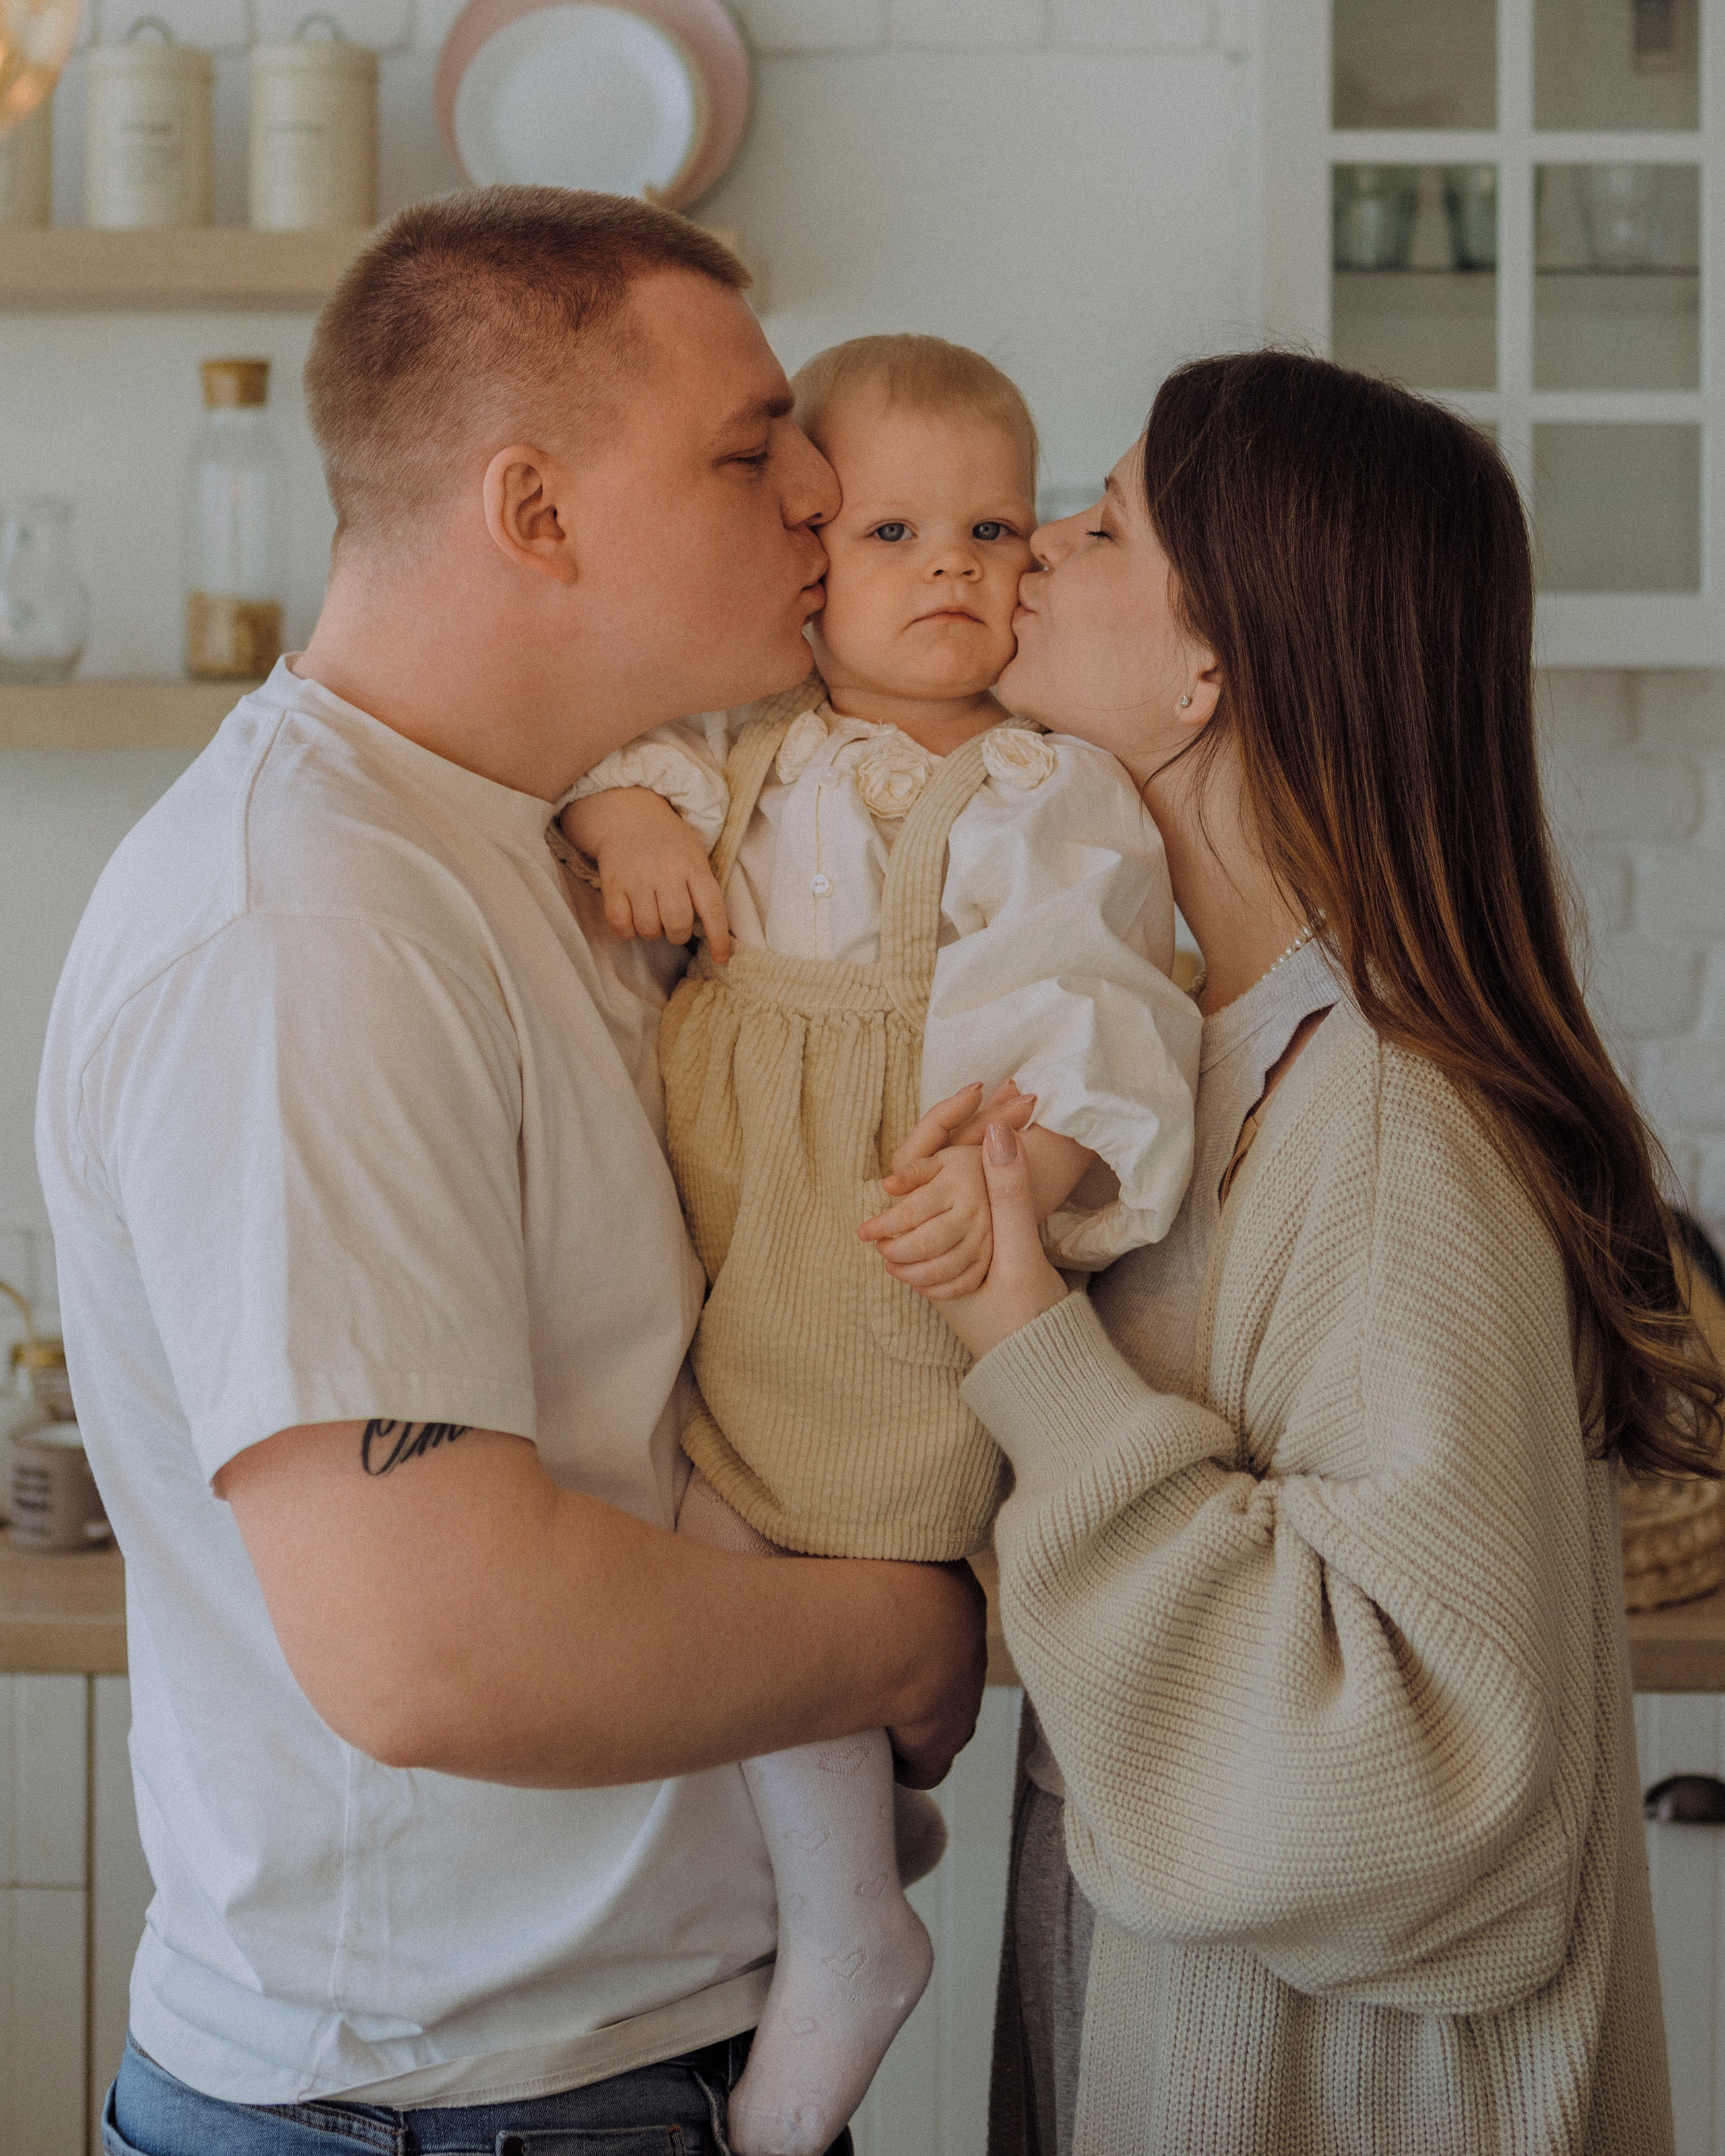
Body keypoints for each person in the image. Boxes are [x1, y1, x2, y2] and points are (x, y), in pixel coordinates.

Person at [34, 187, 987, 2156]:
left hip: (593, 2074)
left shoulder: (534, 844)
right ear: (536, 516)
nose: (821, 491)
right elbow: (440, 1646)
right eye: (750, 451)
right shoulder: (305, 932)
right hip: (442, 2110)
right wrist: (912, 1632)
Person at [871, 349, 1725, 2156]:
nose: (1029, 550)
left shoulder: (1395, 1127)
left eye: (1102, 526)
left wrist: (1025, 1329)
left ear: (1212, 665)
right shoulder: (1221, 1055)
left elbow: (1420, 1771)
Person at [559, 331, 1199, 2155]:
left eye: (997, 529)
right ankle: (850, 1840)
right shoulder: (742, 752)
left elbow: (1109, 1008)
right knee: (710, 1537)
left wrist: (1042, 1163)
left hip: (888, 1262)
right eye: (897, 527)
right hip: (741, 1263)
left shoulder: (1047, 791)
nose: (951, 568)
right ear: (811, 561)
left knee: (800, 1556)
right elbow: (622, 767)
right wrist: (622, 826)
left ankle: (853, 1931)